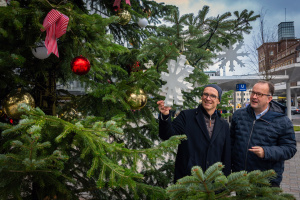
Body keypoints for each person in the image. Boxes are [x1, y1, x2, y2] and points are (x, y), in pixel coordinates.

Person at [157, 84, 231, 183]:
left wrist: (224, 184)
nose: (208, 98)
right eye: (205, 94)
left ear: (218, 100)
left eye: (213, 96)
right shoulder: (186, 117)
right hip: (188, 180)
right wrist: (165, 116)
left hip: (214, 184)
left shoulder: (224, 125)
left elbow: (226, 156)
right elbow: (167, 135)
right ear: (201, 97)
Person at [230, 80, 297, 187]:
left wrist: (266, 152)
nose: (254, 97)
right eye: (253, 92)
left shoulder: (282, 121)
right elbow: (231, 142)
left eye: (259, 94)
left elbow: (290, 149)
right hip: (241, 178)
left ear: (269, 99)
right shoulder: (238, 115)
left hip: (267, 181)